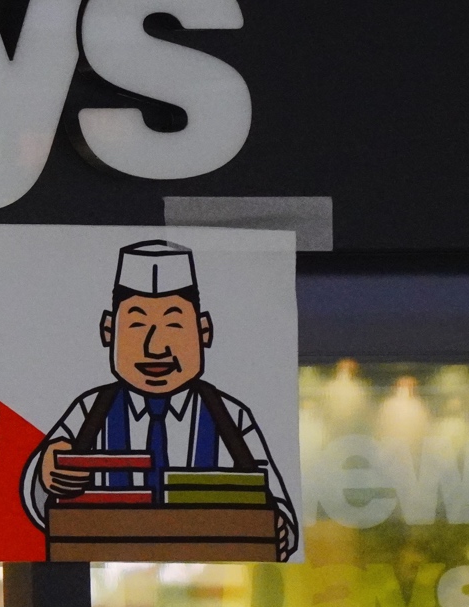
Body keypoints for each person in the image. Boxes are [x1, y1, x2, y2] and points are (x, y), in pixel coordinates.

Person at [20, 238, 299, 559]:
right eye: (137, 324)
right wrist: (47, 473)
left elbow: (276, 504)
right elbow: (39, 494)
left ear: (204, 330)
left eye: (174, 324)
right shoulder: (90, 411)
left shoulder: (231, 416)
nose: (155, 347)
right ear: (109, 330)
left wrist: (279, 527)